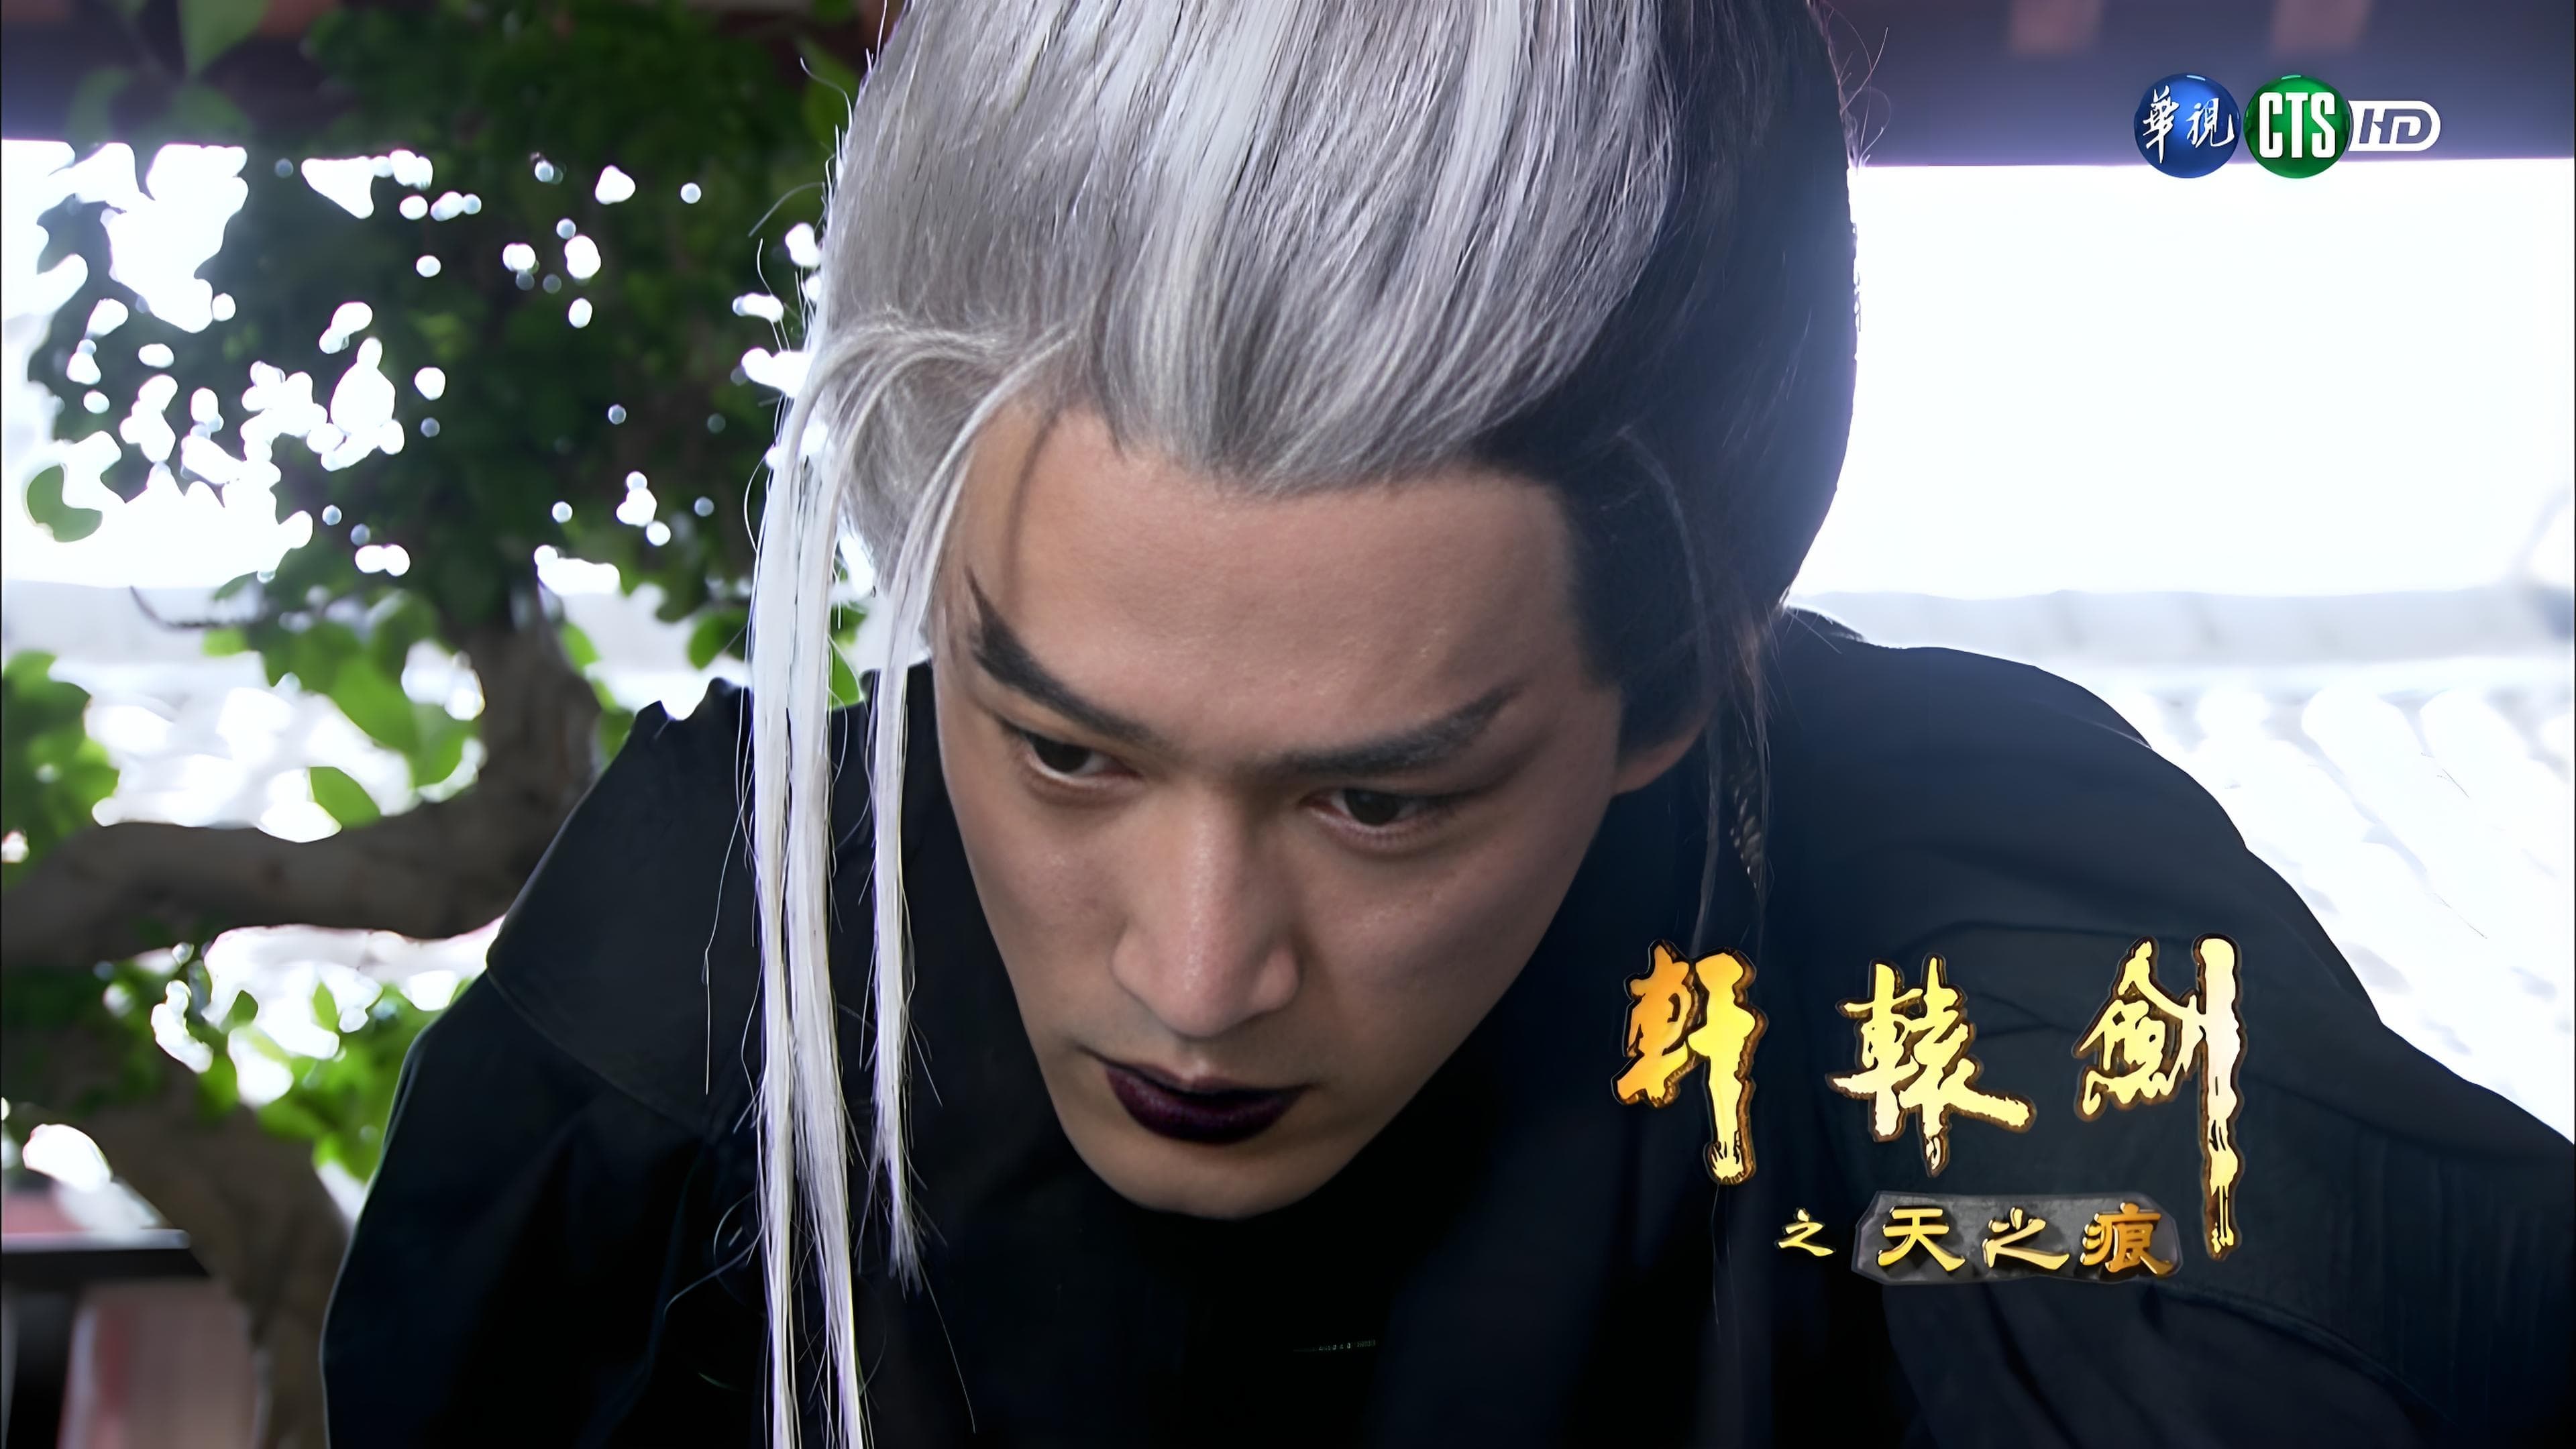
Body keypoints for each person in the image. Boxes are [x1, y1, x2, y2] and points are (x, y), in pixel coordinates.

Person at [320, 1, 2573, 1445]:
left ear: (1678, 675)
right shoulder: (691, 1018)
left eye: (1384, 801)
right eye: (1068, 753)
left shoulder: (2000, 975)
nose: (1198, 977)